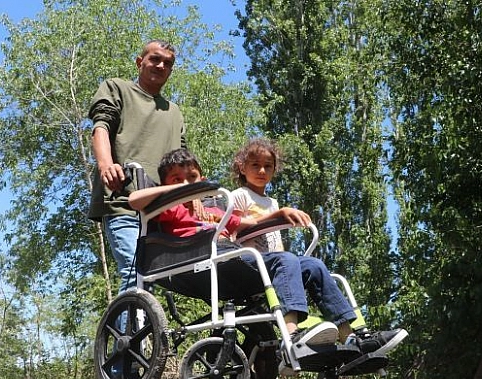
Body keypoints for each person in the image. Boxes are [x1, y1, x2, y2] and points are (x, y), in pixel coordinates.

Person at [129, 149, 408, 357]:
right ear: (167, 183)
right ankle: (293, 338)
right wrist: (179, 191)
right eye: (177, 179)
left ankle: (353, 338)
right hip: (201, 262)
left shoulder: (216, 209)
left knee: (312, 264)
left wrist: (280, 213)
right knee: (285, 259)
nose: (186, 183)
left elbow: (250, 224)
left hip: (233, 261)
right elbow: (134, 200)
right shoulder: (169, 207)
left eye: (192, 178)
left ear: (202, 178)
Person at [88, 39, 186, 295]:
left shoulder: (174, 112)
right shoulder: (117, 88)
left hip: (163, 212)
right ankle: (130, 337)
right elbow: (101, 127)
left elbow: (184, 161)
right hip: (124, 200)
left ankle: (146, 332)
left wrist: (194, 194)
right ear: (139, 62)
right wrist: (106, 165)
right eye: (155, 59)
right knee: (135, 274)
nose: (161, 65)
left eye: (168, 63)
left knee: (158, 279)